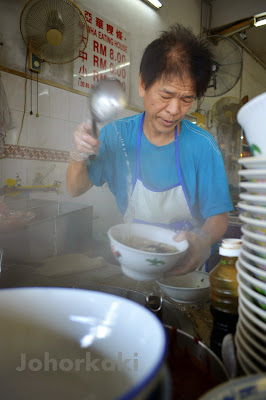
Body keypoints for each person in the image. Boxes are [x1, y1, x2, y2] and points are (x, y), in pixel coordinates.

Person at [66, 23, 233, 275]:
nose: (175, 109)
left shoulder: (202, 145)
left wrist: (203, 239)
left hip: (186, 268)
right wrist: (79, 153)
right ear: (143, 84)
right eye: (166, 95)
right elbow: (74, 189)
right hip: (134, 260)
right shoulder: (116, 135)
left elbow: (218, 217)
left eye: (187, 99)